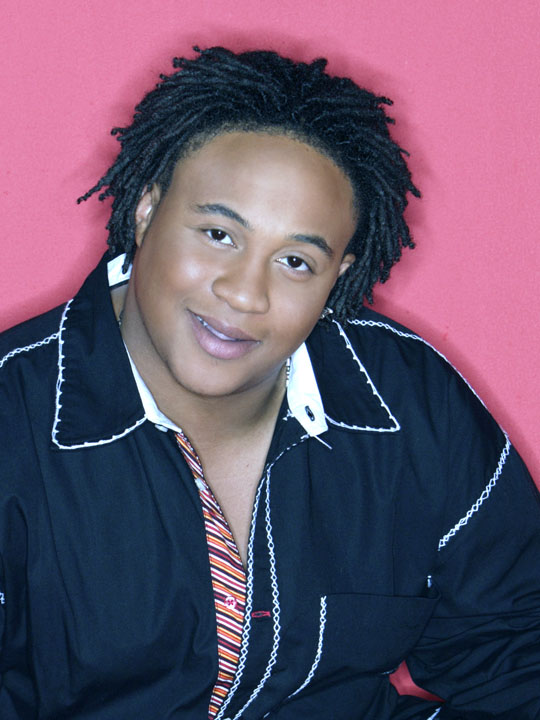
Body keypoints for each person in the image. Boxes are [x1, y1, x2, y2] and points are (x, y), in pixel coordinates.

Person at [0, 46, 538, 720]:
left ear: (339, 275)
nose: (245, 294)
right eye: (218, 234)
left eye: (295, 261)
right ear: (146, 208)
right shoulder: (13, 418)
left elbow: (518, 653)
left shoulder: (409, 401)